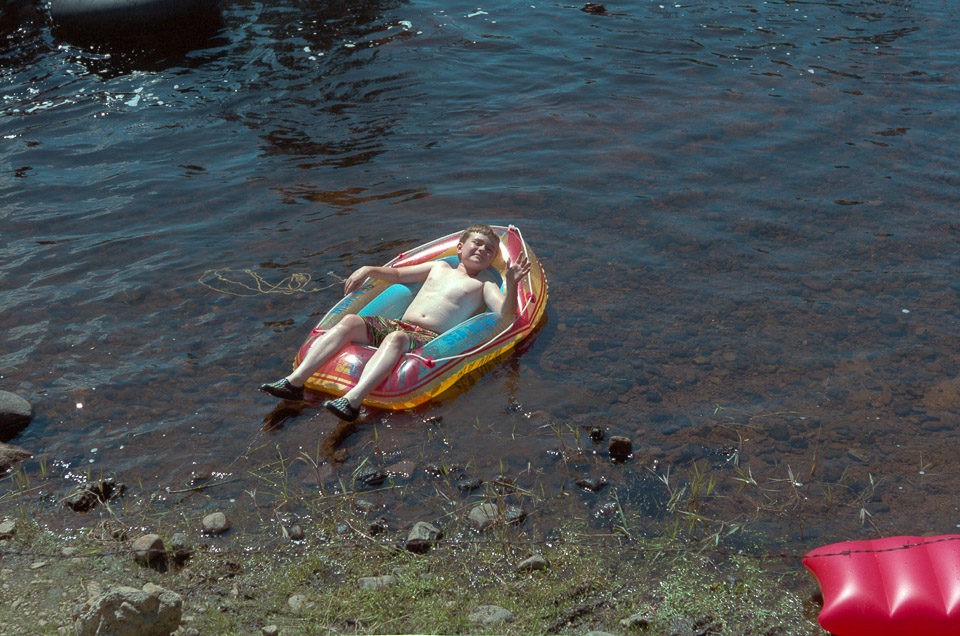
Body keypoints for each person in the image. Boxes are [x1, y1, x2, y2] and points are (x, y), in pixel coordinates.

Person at [259, 223, 530, 422]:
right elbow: (399, 275)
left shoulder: (485, 284)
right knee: (352, 321)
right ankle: (294, 382)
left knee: (396, 340)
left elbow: (505, 315)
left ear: (492, 259)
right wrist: (368, 269)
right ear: (460, 247)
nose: (482, 250)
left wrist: (513, 282)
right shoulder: (439, 267)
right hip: (398, 324)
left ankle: (352, 401)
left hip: (427, 338)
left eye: (490, 249)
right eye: (477, 244)